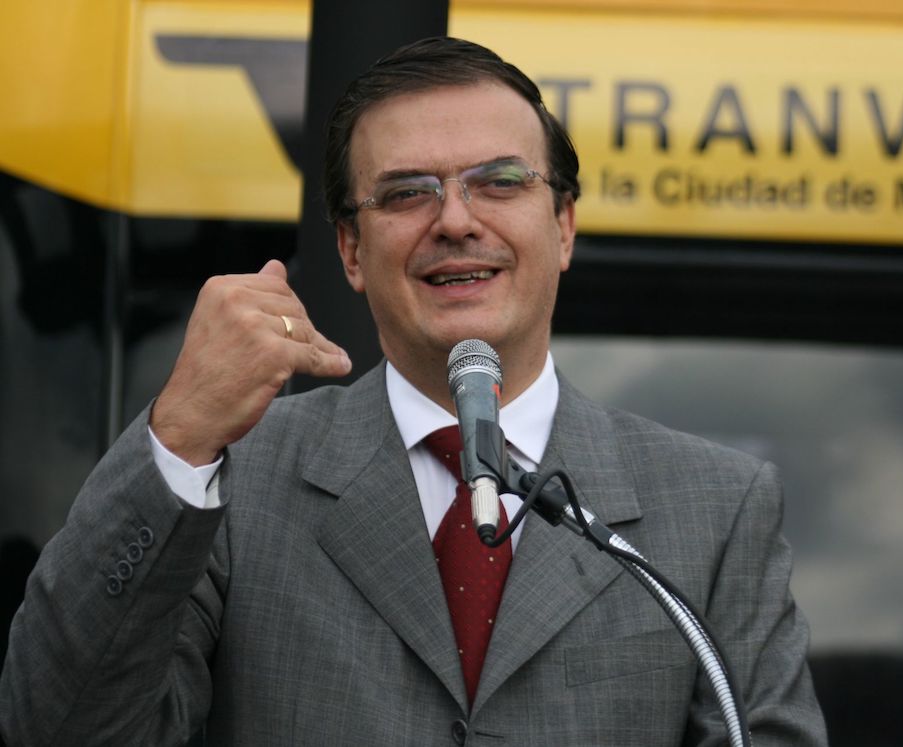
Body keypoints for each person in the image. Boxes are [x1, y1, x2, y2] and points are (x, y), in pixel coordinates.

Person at [0, 37, 827, 745]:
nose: (456, 220)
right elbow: (59, 725)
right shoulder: (235, 477)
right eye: (406, 192)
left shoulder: (716, 508)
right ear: (351, 251)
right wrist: (179, 435)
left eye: (499, 181)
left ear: (564, 226)